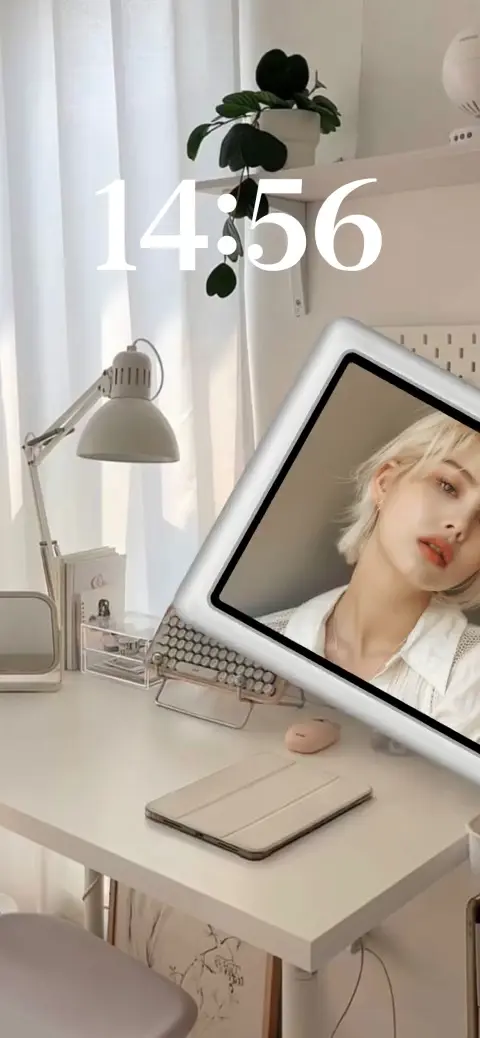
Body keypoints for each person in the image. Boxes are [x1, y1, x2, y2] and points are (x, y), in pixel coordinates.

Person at [280, 410, 480, 742]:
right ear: (385, 483)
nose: (459, 526)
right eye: (447, 486)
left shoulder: (471, 673)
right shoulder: (261, 638)